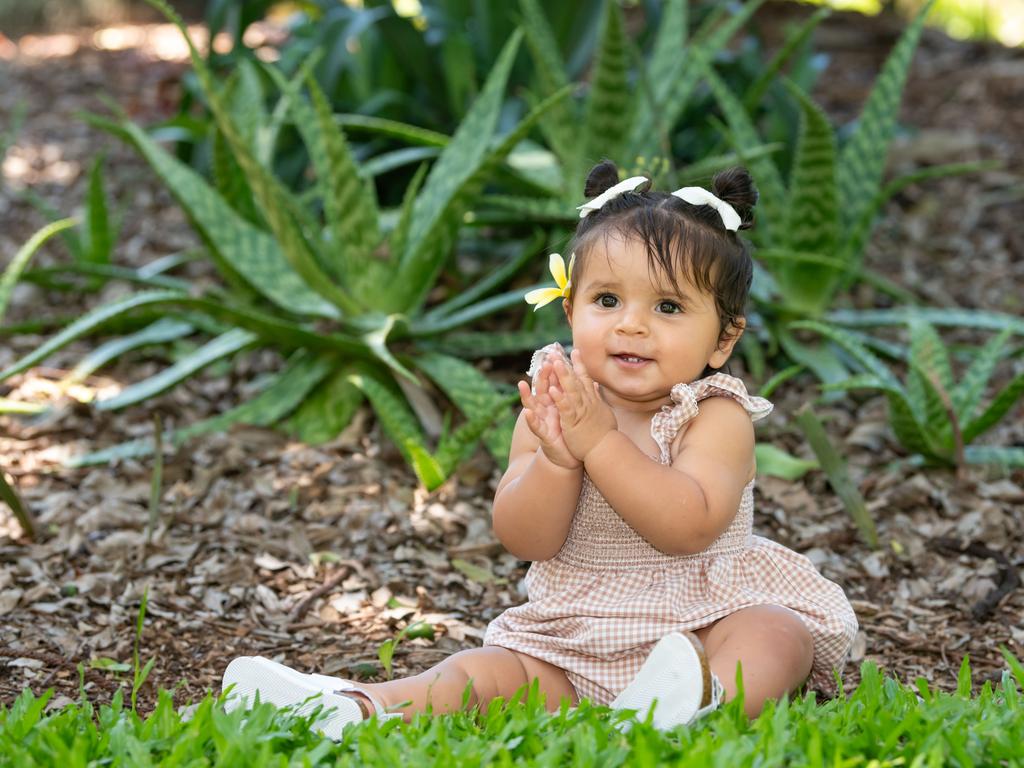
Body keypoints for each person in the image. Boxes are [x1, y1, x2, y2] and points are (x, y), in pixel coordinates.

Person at [222, 160, 858, 737]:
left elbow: (687, 526)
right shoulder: (556, 403)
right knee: (482, 672)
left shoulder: (716, 416)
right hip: (572, 637)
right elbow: (525, 538)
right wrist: (557, 459)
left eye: (667, 306)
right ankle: (354, 705)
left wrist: (600, 444)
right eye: (607, 300)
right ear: (570, 311)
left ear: (722, 339)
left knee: (776, 634)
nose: (631, 323)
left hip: (704, 618)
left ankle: (700, 701)